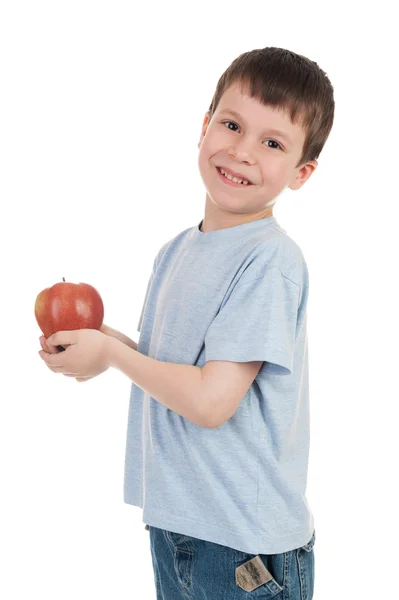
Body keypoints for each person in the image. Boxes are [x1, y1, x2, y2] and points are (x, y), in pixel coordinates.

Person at [39, 46, 335, 599]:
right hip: (183, 524)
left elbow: (209, 402)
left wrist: (112, 356)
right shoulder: (175, 252)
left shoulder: (269, 260)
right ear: (203, 128)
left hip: (243, 547)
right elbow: (175, 372)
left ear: (301, 173)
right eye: (232, 124)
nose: (243, 152)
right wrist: (103, 343)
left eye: (272, 143)